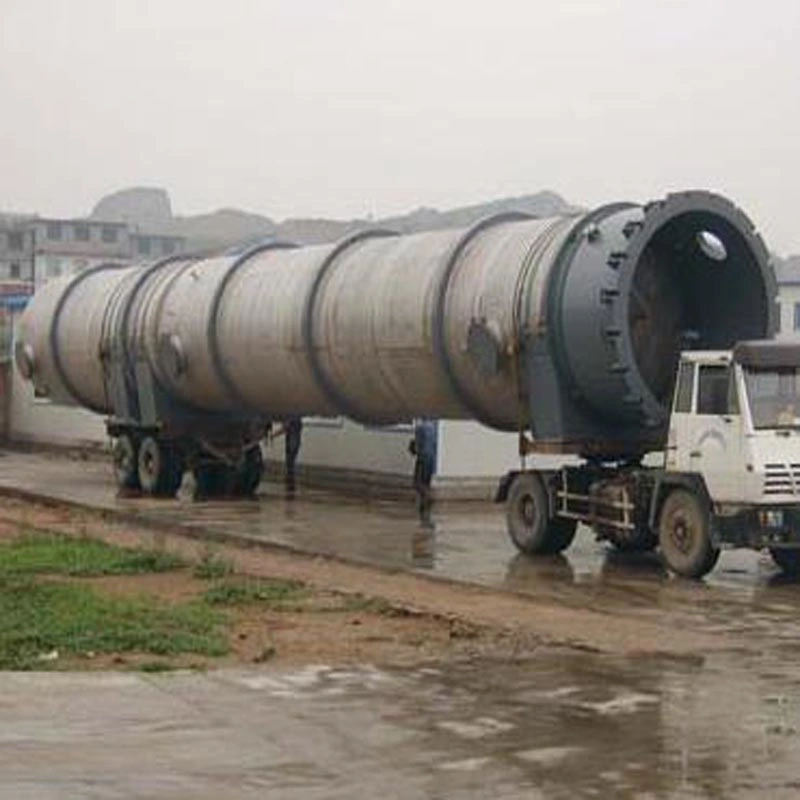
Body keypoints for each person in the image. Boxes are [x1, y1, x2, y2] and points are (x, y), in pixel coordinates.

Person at [410, 418, 438, 514]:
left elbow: (417, 446)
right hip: (431, 458)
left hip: (422, 457)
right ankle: (425, 502)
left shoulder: (419, 427)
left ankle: (428, 497)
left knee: (417, 482)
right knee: (426, 482)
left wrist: (413, 448)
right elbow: (434, 444)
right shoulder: (433, 427)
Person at [284, 416, 303, 494]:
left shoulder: (293, 419)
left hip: (292, 441)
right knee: (291, 462)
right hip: (295, 441)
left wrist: (273, 435)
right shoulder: (297, 420)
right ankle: (290, 483)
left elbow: (285, 427)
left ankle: (290, 483)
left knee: (290, 462)